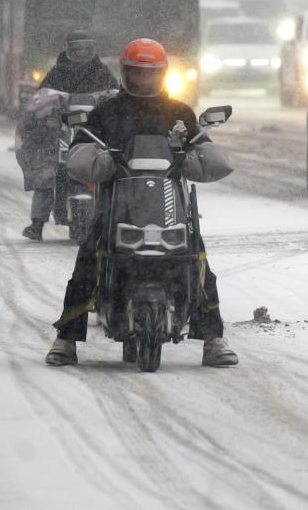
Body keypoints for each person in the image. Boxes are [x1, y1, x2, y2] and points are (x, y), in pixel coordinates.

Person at [45, 38, 238, 368]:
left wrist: (191, 156)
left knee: (197, 258)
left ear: (162, 74)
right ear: (125, 73)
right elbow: (79, 150)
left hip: (169, 204)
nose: (144, 80)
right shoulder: (107, 112)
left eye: (150, 73)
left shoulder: (178, 112)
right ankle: (66, 339)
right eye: (137, 73)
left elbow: (206, 151)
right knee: (89, 259)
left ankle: (213, 338)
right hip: (117, 205)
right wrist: (101, 160)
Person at [16, 31, 118, 241]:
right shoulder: (58, 72)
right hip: (62, 132)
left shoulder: (101, 72)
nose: (81, 53)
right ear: (68, 49)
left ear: (93, 49)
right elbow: (41, 99)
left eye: (86, 48)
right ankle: (37, 223)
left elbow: (116, 96)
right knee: (47, 173)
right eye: (76, 49)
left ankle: (117, 218)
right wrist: (47, 113)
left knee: (114, 168)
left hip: (94, 134)